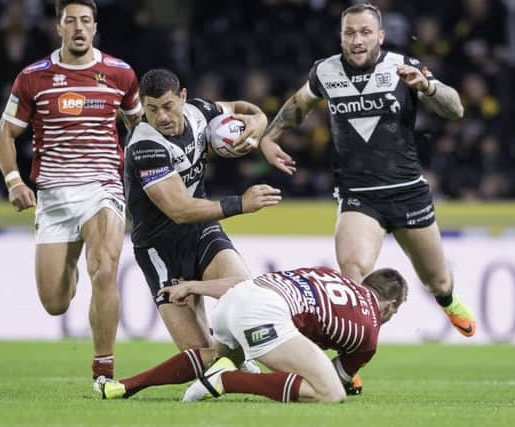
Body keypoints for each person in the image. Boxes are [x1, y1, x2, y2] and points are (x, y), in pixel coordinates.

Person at [259, 3, 475, 337]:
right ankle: (350, 356)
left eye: (365, 32)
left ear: (380, 37)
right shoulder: (325, 71)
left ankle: (447, 301)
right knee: (354, 276)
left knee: (438, 280)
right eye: (349, 33)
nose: (357, 39)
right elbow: (298, 105)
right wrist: (268, 138)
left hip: (407, 192)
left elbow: (455, 108)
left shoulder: (403, 66)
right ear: (341, 37)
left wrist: (427, 87)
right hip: (359, 196)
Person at [0, 0, 143, 387]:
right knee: (55, 303)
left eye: (86, 21)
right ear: (58, 28)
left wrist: (148, 174)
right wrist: (13, 181)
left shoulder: (121, 74)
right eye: (71, 21)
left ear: (95, 27)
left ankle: (103, 371)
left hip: (103, 187)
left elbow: (139, 127)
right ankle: (74, 253)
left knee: (106, 268)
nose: (79, 28)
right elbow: (5, 133)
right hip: (55, 198)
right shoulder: (33, 77)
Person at [123, 68, 281, 358]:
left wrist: (258, 120)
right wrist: (240, 204)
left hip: (202, 231)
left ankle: (243, 360)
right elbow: (180, 210)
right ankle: (232, 362)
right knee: (200, 356)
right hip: (160, 248)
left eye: (168, 106)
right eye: (152, 109)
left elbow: (240, 108)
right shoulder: (145, 146)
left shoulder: (199, 112)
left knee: (245, 293)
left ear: (183, 98)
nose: (162, 117)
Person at [97, 266, 407, 403]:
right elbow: (337, 377)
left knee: (216, 355)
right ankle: (225, 380)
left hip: (240, 295)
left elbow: (264, 284)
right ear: (390, 305)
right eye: (395, 312)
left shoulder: (330, 275)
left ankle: (124, 386)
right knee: (330, 393)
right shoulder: (369, 334)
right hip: (266, 315)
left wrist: (196, 287)